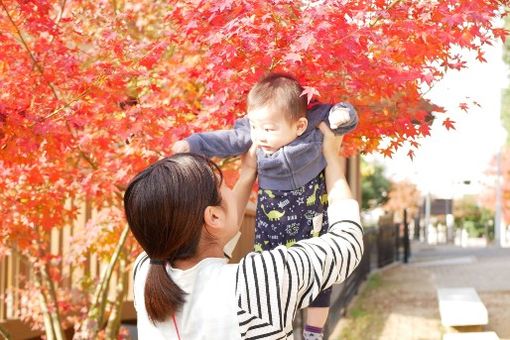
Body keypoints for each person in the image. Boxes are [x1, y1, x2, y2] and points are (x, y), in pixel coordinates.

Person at [125, 123, 363, 339]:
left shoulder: (145, 271)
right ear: (214, 216)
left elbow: (213, 236)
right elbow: (347, 242)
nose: (229, 188)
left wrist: (248, 172)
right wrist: (330, 157)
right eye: (224, 186)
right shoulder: (259, 280)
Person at [171, 73, 358, 338]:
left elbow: (339, 114)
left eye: (269, 129)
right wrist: (193, 144)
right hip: (273, 223)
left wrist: (342, 118)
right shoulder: (255, 136)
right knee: (272, 280)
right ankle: (281, 322)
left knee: (321, 275)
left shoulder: (311, 124)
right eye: (255, 126)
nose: (260, 135)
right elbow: (226, 140)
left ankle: (314, 331)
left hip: (311, 217)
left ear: (299, 125)